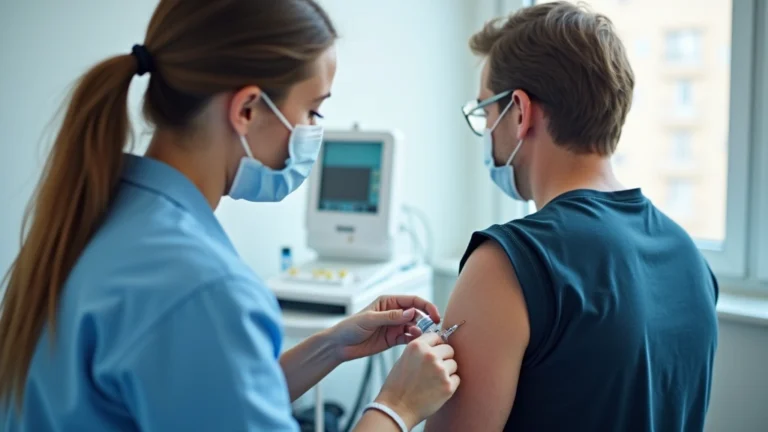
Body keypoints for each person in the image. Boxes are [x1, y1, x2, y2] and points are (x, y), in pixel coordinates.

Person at [0, 1, 459, 431]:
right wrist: (397, 406)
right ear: (246, 109)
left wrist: (332, 345)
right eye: (312, 110)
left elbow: (203, 402)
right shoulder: (200, 286)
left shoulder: (94, 216)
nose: (314, 131)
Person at [426, 2, 719, 431]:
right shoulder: (689, 257)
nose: (487, 132)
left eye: (486, 113)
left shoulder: (505, 266)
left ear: (520, 112)